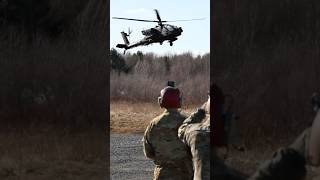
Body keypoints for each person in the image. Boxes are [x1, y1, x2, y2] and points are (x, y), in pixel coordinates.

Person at [142, 83, 193, 180]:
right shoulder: (188, 123)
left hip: (162, 175)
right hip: (185, 174)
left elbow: (148, 153)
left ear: (161, 101)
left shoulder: (154, 124)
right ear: (179, 101)